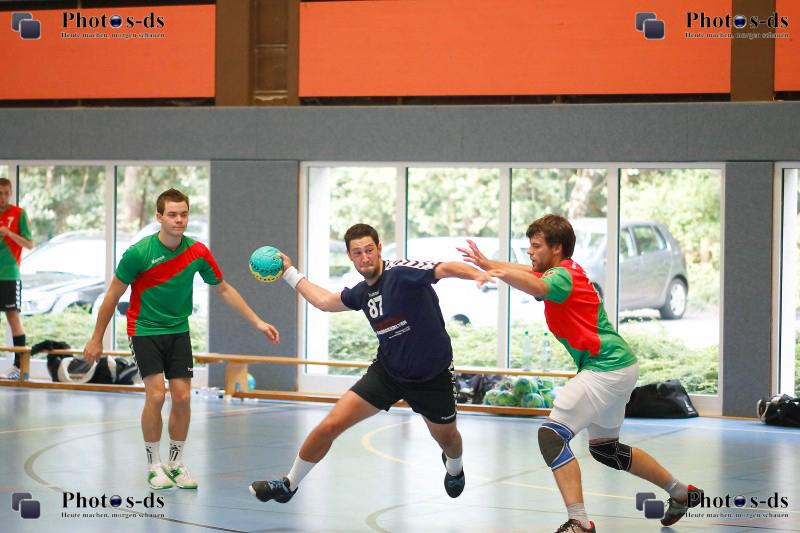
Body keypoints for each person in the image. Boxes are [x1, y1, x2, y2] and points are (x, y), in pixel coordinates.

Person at [459, 214, 702, 533]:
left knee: (551, 436)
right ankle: (682, 492)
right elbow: (531, 273)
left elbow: (538, 284)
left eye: (536, 246)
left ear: (557, 248)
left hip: (605, 367)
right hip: (618, 365)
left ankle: (579, 522)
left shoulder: (561, 277)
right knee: (606, 450)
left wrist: (497, 272)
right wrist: (489, 263)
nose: (530, 252)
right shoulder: (565, 270)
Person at [249, 223, 498, 504]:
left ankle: (454, 467)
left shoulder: (401, 273)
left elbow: (445, 268)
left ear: (379, 248)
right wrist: (289, 272)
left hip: (432, 377)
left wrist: (476, 274)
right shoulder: (361, 293)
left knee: (449, 440)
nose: (365, 257)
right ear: (350, 256)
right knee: (330, 425)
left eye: (369, 250)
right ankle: (288, 485)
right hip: (388, 373)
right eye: (357, 253)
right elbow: (325, 301)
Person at [84, 188, 280, 490]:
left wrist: (257, 321)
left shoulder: (197, 252)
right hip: (145, 329)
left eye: (184, 214)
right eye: (172, 214)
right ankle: (154, 465)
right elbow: (112, 295)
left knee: (183, 397)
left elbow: (223, 288)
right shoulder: (138, 253)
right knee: (156, 396)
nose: (179, 220)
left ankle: (175, 463)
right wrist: (96, 338)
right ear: (159, 217)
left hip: (178, 331)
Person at [0, 177, 34, 380]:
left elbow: (29, 244)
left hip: (9, 274)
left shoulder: (19, 214)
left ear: (10, 193)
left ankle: (19, 367)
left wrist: (9, 234)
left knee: (13, 317)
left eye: (6, 193)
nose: (3, 197)